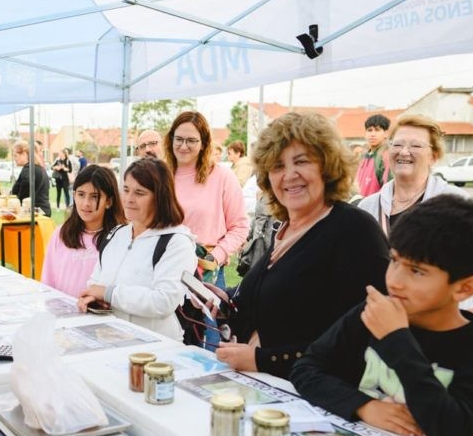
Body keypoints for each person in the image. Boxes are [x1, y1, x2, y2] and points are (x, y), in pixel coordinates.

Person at [291, 194, 473, 436]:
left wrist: (396, 339)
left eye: (417, 271)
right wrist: (364, 406)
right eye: (394, 260)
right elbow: (307, 369)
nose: (395, 281)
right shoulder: (370, 313)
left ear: (465, 287)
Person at [215, 112, 389, 379]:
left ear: (327, 166)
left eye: (302, 161)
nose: (289, 175)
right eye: (277, 166)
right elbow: (277, 300)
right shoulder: (284, 227)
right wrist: (226, 299)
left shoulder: (355, 230)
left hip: (312, 398)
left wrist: (264, 360)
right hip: (262, 387)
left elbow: (361, 335)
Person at [357, 114, 473, 326]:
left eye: (416, 146)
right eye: (397, 144)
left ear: (434, 156)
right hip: (387, 321)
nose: (404, 152)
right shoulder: (368, 206)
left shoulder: (456, 203)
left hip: (444, 323)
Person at [78, 158, 197, 340]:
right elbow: (96, 283)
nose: (129, 199)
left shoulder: (176, 242)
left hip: (154, 350)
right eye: (126, 190)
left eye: (139, 193)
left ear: (160, 197)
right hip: (110, 342)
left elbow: (163, 301)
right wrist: (92, 298)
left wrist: (108, 293)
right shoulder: (116, 234)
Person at [165, 111, 249, 348]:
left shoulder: (222, 176)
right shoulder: (161, 175)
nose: (183, 146)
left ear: (204, 144)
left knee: (211, 345)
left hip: (207, 273)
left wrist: (217, 255)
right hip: (167, 270)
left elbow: (240, 226)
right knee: (173, 341)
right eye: (178, 139)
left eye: (191, 140)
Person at [42, 165, 125, 297]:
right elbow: (47, 281)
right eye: (81, 194)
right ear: (74, 195)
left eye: (94, 196)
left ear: (109, 201)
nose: (86, 203)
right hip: (62, 313)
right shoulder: (61, 233)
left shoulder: (120, 238)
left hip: (101, 315)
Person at [10, 139, 52, 216]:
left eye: (15, 155)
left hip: (35, 213)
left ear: (24, 154)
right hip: (43, 210)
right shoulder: (39, 167)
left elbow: (25, 190)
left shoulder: (28, 169)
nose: (14, 159)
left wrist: (17, 202)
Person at [354, 114, 390, 198]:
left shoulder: (387, 156)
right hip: (359, 206)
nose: (372, 134)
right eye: (369, 130)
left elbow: (389, 189)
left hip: (375, 207)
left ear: (385, 134)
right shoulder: (363, 156)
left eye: (377, 130)